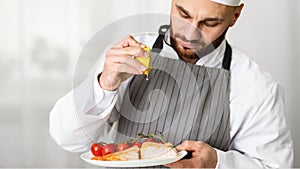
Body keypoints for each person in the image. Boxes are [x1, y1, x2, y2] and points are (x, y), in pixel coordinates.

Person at [49, 0, 294, 168]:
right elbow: (67, 138)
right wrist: (105, 84)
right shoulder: (127, 55)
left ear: (235, 15)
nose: (190, 34)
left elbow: (273, 165)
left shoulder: (256, 85)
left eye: (209, 23)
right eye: (183, 14)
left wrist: (218, 163)